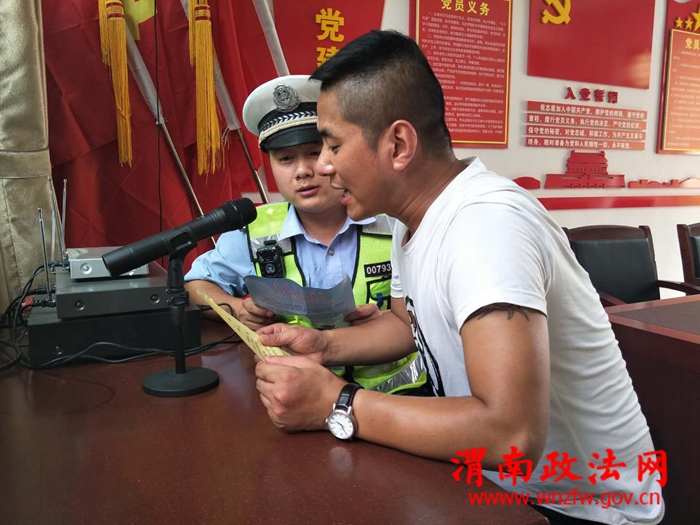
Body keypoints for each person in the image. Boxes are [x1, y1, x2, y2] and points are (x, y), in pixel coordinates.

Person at [253, 32, 664, 525]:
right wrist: (325, 346)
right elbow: (407, 325)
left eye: (333, 144)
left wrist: (336, 403)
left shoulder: (485, 226)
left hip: (584, 508)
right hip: (497, 487)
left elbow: (511, 435)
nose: (322, 165)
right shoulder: (412, 220)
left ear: (398, 145)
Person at [185, 74, 426, 395]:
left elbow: (431, 316)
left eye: (314, 153)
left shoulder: (394, 223)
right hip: (291, 394)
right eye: (285, 159)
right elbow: (195, 285)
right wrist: (236, 309)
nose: (302, 171)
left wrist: (390, 320)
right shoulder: (253, 231)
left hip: (398, 397)